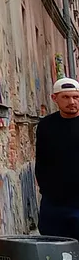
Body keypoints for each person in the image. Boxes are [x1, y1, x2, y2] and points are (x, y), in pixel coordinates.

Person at [35, 77, 79, 240]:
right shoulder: (46, 125)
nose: (72, 102)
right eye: (66, 97)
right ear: (55, 98)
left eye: (76, 97)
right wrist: (46, 189)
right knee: (52, 244)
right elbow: (41, 159)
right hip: (55, 201)